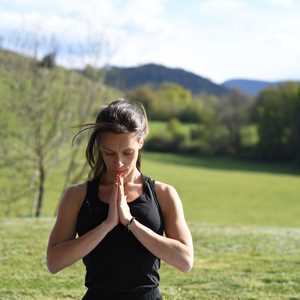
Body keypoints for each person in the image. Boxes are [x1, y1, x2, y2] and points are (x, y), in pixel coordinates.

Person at [46, 99, 194, 300]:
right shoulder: (77, 196)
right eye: (109, 153)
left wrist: (131, 223)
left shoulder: (164, 194)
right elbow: (54, 263)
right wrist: (106, 225)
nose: (119, 162)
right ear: (99, 146)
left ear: (141, 142)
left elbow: (185, 261)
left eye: (127, 152)